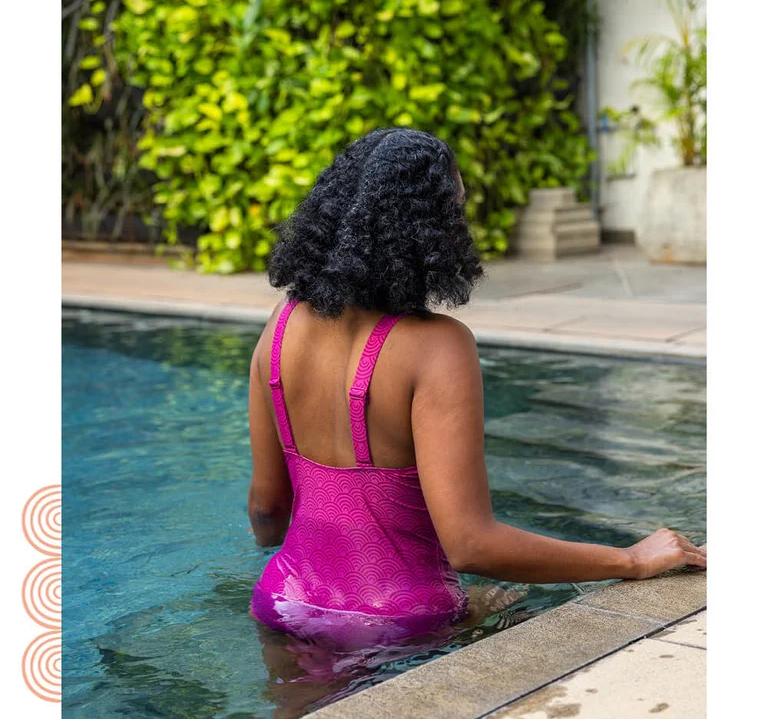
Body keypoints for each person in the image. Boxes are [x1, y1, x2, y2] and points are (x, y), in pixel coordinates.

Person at [247, 128, 706, 650]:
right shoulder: (438, 348)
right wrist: (630, 559)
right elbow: (470, 545)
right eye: (455, 211)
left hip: (284, 601)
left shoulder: (280, 327)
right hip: (401, 621)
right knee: (509, 602)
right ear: (426, 231)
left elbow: (266, 511)